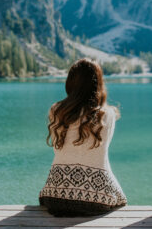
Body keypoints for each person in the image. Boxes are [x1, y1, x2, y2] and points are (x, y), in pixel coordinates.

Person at [39, 58, 127, 216]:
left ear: (71, 83)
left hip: (56, 195)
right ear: (98, 84)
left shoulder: (56, 111)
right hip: (97, 200)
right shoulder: (108, 114)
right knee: (120, 198)